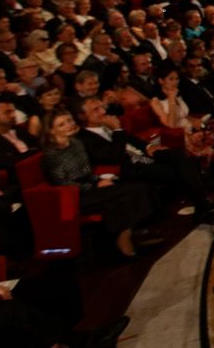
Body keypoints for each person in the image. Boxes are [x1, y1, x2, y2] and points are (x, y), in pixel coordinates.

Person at [38, 109, 156, 260]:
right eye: (62, 124)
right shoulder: (50, 156)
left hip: (91, 188)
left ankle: (127, 233)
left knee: (140, 186)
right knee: (130, 192)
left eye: (69, 121)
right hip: (76, 197)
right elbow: (63, 184)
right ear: (51, 131)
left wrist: (99, 180)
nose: (69, 125)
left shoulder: (76, 143)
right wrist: (94, 186)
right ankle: (123, 238)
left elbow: (87, 171)